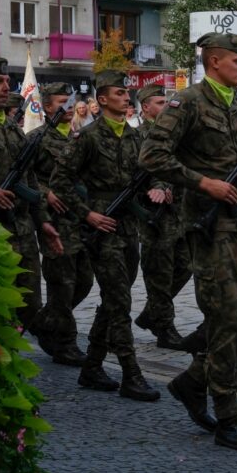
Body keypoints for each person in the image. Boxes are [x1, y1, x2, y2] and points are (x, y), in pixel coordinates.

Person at [139, 32, 237, 451]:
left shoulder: (236, 107)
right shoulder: (188, 102)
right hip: (211, 227)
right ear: (214, 61)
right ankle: (228, 417)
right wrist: (204, 184)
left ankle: (194, 379)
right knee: (226, 317)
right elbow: (153, 156)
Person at [51, 69, 159, 403]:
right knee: (120, 303)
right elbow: (60, 181)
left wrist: (159, 187)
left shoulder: (137, 136)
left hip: (129, 227)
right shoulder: (88, 137)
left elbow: (152, 172)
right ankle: (131, 374)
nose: (126, 98)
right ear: (101, 99)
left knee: (114, 298)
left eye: (127, 93)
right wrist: (87, 214)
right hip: (102, 227)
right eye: (118, 93)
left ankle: (92, 367)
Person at [0, 59, 62, 348]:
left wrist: (43, 221)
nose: (5, 87)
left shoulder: (12, 129)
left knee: (30, 303)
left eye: (6, 82)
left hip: (21, 230)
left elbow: (30, 180)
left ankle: (9, 355)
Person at [29, 82, 87, 366]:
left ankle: (43, 321)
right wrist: (45, 194)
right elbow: (25, 178)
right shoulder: (37, 138)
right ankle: (66, 344)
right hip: (54, 220)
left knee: (84, 281)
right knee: (62, 284)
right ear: (48, 106)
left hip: (80, 218)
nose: (67, 107)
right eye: (61, 102)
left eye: (69, 101)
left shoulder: (78, 137)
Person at [132, 85, 190, 350]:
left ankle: (151, 314)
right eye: (159, 102)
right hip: (153, 216)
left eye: (166, 101)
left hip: (177, 213)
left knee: (184, 266)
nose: (165, 105)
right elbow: (136, 171)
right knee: (159, 274)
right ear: (145, 107)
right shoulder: (138, 136)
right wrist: (156, 186)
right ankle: (164, 327)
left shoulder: (171, 134)